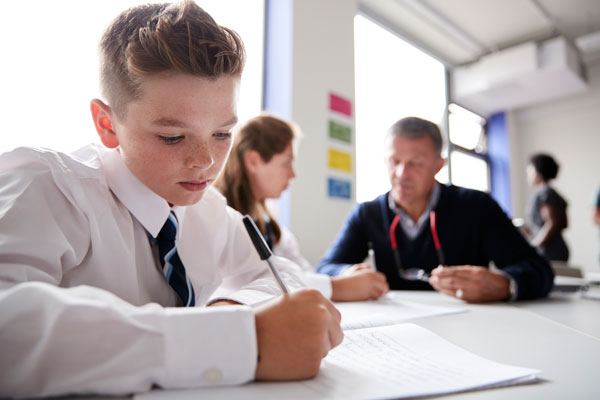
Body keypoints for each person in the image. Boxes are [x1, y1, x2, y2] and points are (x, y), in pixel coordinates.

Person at [0, 2, 343, 398]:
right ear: (107, 124)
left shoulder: (208, 210)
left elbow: (278, 272)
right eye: (172, 137)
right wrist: (227, 342)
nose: (206, 162)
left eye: (221, 133)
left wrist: (230, 311)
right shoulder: (45, 188)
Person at [316, 116, 554, 303]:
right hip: (397, 330)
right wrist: (350, 273)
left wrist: (504, 285)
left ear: (438, 165)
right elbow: (325, 268)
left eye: (415, 163)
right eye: (394, 161)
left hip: (470, 328)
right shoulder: (367, 214)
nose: (401, 174)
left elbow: (539, 270)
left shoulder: (476, 206)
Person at [214, 114, 389, 301]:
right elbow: (249, 281)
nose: (293, 174)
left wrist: (344, 276)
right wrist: (338, 287)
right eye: (287, 162)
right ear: (253, 161)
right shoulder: (218, 216)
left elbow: (299, 271)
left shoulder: (273, 228)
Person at [525, 153, 569, 262]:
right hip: (556, 249)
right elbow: (564, 223)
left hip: (549, 252)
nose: (528, 175)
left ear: (537, 172)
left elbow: (552, 223)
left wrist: (534, 245)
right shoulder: (553, 193)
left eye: (530, 171)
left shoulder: (545, 193)